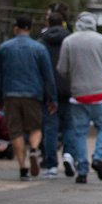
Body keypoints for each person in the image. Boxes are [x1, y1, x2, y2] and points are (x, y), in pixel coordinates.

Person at [0, 15, 57, 180]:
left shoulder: (4, 48)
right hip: (33, 95)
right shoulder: (39, 48)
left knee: (16, 132)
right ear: (30, 27)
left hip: (10, 94)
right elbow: (48, 76)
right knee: (35, 128)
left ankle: (23, 168)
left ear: (16, 27)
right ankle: (34, 149)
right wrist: (52, 98)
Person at [58, 12, 102, 184]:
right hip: (100, 93)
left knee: (79, 132)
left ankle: (82, 170)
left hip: (78, 95)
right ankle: (98, 157)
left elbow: (62, 68)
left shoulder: (69, 41)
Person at [38, 11, 72, 178]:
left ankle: (51, 165)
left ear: (48, 23)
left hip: (48, 92)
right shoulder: (71, 39)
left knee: (50, 129)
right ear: (63, 22)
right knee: (69, 127)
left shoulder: (41, 43)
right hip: (69, 89)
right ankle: (68, 155)